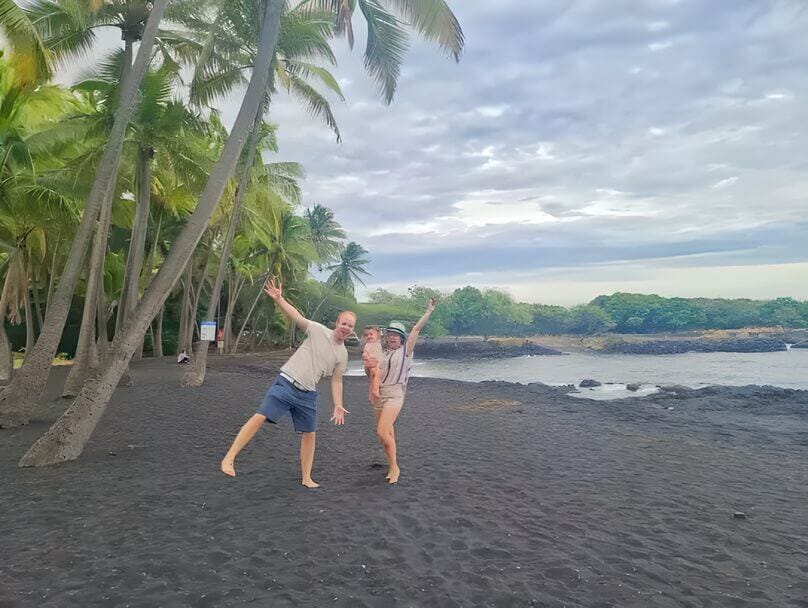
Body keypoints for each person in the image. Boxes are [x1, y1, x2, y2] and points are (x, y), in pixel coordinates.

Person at [220, 277, 353, 487]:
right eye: (344, 323)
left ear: (352, 330)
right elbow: (297, 317)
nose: (346, 327)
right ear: (337, 322)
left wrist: (338, 404)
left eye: (350, 326)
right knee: (260, 415)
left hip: (308, 393)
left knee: (310, 433)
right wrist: (279, 300)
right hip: (287, 382)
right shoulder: (317, 330)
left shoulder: (343, 354)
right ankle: (229, 458)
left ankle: (306, 477)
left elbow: (337, 381)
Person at [365, 298, 437, 484]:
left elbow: (416, 330)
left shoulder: (406, 351)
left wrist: (428, 311)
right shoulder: (382, 353)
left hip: (395, 395)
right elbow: (372, 375)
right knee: (386, 436)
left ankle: (395, 468)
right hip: (379, 395)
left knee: (382, 432)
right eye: (390, 334)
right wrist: (368, 367)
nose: (392, 336)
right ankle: (391, 466)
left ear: (402, 337)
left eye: (396, 334)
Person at [362, 326, 384, 407]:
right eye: (366, 335)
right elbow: (365, 353)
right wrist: (367, 358)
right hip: (373, 363)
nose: (369, 336)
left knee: (374, 378)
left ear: (378, 336)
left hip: (378, 363)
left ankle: (372, 394)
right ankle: (375, 391)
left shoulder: (378, 343)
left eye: (371, 334)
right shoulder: (368, 345)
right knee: (375, 376)